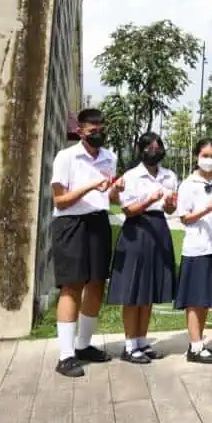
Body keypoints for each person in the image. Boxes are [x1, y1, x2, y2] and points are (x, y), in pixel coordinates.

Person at [49, 108, 121, 377]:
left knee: (96, 283)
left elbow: (109, 195)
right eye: (93, 131)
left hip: (99, 222)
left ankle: (84, 345)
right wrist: (91, 186)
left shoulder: (109, 157)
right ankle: (65, 356)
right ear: (80, 131)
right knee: (72, 285)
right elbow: (60, 199)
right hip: (71, 224)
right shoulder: (66, 157)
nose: (98, 134)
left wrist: (116, 190)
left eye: (102, 129)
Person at [107, 131, 178, 364]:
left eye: (158, 148)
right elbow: (127, 209)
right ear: (142, 150)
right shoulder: (132, 176)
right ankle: (129, 345)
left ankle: (142, 340)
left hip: (159, 228)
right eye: (150, 148)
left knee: (148, 289)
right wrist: (149, 199)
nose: (154, 152)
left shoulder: (169, 176)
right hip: (136, 230)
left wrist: (168, 204)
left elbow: (169, 210)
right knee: (133, 289)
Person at [174, 139, 212, 365]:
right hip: (197, 248)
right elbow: (185, 218)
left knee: (206, 298)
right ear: (198, 157)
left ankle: (198, 343)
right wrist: (205, 209)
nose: (209, 160)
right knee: (195, 298)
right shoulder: (189, 184)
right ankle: (195, 346)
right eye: (205, 155)